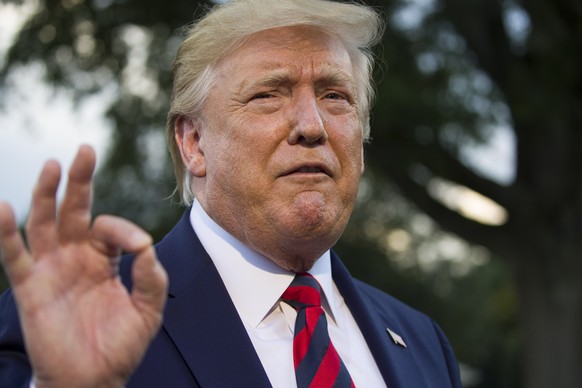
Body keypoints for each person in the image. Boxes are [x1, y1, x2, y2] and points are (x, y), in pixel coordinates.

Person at [0, 0, 462, 387]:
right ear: (194, 143)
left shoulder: (424, 345)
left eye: (335, 96)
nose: (311, 126)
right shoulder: (75, 321)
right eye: (268, 94)